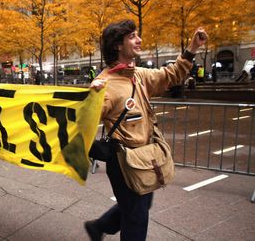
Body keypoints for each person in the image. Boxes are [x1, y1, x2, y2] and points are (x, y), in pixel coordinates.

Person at [85, 20, 207, 241]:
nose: (139, 40)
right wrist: (90, 103)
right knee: (136, 218)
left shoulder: (138, 75)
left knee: (139, 206)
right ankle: (101, 226)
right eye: (132, 36)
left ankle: (99, 226)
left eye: (137, 35)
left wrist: (192, 48)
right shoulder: (103, 85)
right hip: (125, 163)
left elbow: (172, 74)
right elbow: (81, 123)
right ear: (117, 46)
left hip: (146, 158)